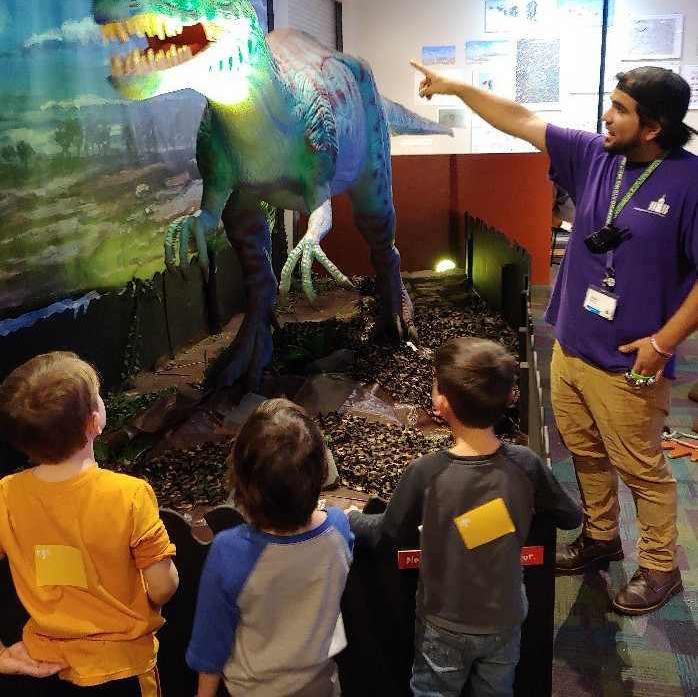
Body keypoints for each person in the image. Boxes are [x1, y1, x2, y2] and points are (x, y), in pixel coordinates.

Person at [412, 60, 698, 614]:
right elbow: (518, 118)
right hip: (570, 344)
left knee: (642, 467)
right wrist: (456, 87)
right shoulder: (594, 155)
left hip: (631, 360)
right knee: (585, 452)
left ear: (654, 127)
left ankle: (662, 567)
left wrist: (662, 343)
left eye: (620, 109)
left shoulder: (689, 183)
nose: (605, 116)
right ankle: (601, 536)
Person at [348, 338, 582, 697]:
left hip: (444, 624)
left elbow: (385, 534)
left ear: (441, 404)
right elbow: (570, 516)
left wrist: (346, 518)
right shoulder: (526, 465)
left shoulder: (426, 473)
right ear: (508, 398)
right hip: (505, 619)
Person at [0, 351, 179, 695]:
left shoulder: (6, 496)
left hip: (44, 664)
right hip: (124, 668)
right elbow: (163, 586)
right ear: (94, 424)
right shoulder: (128, 495)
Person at [186, 399, 353, 697]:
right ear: (320, 471)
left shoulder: (230, 550)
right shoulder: (338, 529)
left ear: (243, 480)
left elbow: (210, 642)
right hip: (321, 685)